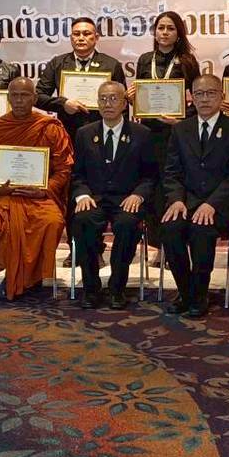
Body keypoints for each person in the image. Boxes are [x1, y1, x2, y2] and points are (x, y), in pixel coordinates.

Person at [0, 77, 74, 300]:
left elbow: (63, 169)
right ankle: (19, 275)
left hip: (41, 196)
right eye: (14, 95)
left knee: (51, 221)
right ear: (8, 98)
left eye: (25, 95)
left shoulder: (49, 127)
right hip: (4, 196)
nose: (19, 100)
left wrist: (44, 190)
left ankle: (27, 277)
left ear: (35, 99)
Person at [161, 73, 229, 319]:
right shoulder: (181, 129)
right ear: (191, 97)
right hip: (186, 201)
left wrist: (212, 204)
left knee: (201, 229)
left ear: (222, 96)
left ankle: (199, 294)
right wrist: (176, 199)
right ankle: (185, 292)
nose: (204, 99)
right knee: (170, 228)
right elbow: (172, 172)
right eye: (199, 94)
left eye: (210, 93)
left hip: (221, 205)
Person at [71, 81, 158, 310]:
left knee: (127, 224)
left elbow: (150, 176)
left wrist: (138, 195)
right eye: (103, 99)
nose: (107, 103)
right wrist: (82, 195)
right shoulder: (84, 133)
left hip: (127, 198)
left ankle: (117, 288)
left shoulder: (142, 134)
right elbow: (77, 174)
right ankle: (91, 288)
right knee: (82, 220)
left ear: (124, 103)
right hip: (95, 198)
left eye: (113, 99)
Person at [127, 11, 200, 255]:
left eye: (170, 28)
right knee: (153, 188)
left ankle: (173, 246)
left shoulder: (188, 62)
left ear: (178, 34)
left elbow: (198, 100)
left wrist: (181, 120)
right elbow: (141, 97)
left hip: (176, 134)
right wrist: (132, 99)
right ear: (155, 32)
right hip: (148, 134)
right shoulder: (144, 60)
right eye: (161, 28)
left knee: (173, 186)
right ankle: (158, 243)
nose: (165, 32)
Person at [35, 16, 125, 141]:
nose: (81, 38)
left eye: (86, 34)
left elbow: (122, 102)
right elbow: (37, 96)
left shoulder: (111, 65)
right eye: (76, 34)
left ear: (96, 37)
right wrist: (63, 104)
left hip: (102, 132)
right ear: (71, 37)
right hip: (67, 132)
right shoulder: (57, 63)